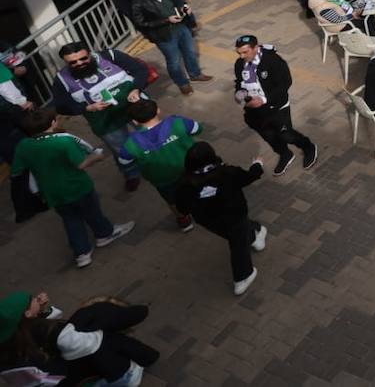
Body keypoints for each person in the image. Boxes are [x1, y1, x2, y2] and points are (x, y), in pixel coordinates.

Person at [12, 108, 136, 268]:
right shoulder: (63, 141)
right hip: (77, 187)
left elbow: (17, 170)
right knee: (92, 212)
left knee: (70, 219)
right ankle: (105, 234)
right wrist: (97, 157)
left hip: (51, 192)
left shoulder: (24, 145)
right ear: (52, 123)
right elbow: (81, 164)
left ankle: (82, 253)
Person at [0, 290, 160, 385]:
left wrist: (40, 310)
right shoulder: (51, 336)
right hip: (67, 379)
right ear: (27, 314)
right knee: (106, 343)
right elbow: (82, 345)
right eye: (32, 300)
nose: (36, 298)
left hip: (47, 377)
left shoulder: (13, 339)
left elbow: (36, 327)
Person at [51, 42, 150, 191]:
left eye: (83, 58)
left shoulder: (111, 56)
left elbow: (140, 70)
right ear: (66, 62)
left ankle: (157, 160)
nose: (79, 63)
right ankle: (131, 174)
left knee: (151, 134)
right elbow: (62, 106)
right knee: (121, 149)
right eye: (73, 62)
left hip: (135, 105)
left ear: (89, 54)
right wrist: (86, 107)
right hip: (104, 119)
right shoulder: (61, 79)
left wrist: (136, 89)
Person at [174, 142, 268, 295]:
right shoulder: (226, 173)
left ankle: (254, 236)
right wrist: (257, 164)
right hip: (235, 215)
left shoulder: (184, 184)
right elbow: (249, 176)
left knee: (236, 233)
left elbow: (182, 208)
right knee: (238, 246)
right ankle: (242, 277)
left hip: (209, 221)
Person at [232, 35, 319, 176]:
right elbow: (239, 83)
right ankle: (285, 154)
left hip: (277, 107)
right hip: (255, 111)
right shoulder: (239, 64)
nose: (241, 56)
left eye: (245, 52)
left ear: (255, 47)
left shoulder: (273, 60)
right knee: (269, 136)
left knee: (286, 135)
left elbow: (286, 83)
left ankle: (308, 147)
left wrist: (263, 100)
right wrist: (241, 96)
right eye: (239, 53)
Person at [118, 95, 200, 231]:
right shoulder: (178, 122)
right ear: (158, 111)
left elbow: (124, 161)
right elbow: (197, 129)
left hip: (162, 179)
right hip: (191, 168)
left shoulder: (130, 144)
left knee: (172, 200)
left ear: (135, 121)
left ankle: (183, 220)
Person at [130, 0, 210, 95]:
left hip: (181, 28)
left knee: (190, 52)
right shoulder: (138, 3)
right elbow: (141, 24)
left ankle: (195, 75)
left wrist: (184, 10)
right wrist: (167, 20)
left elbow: (176, 5)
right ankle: (182, 83)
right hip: (164, 36)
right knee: (174, 61)